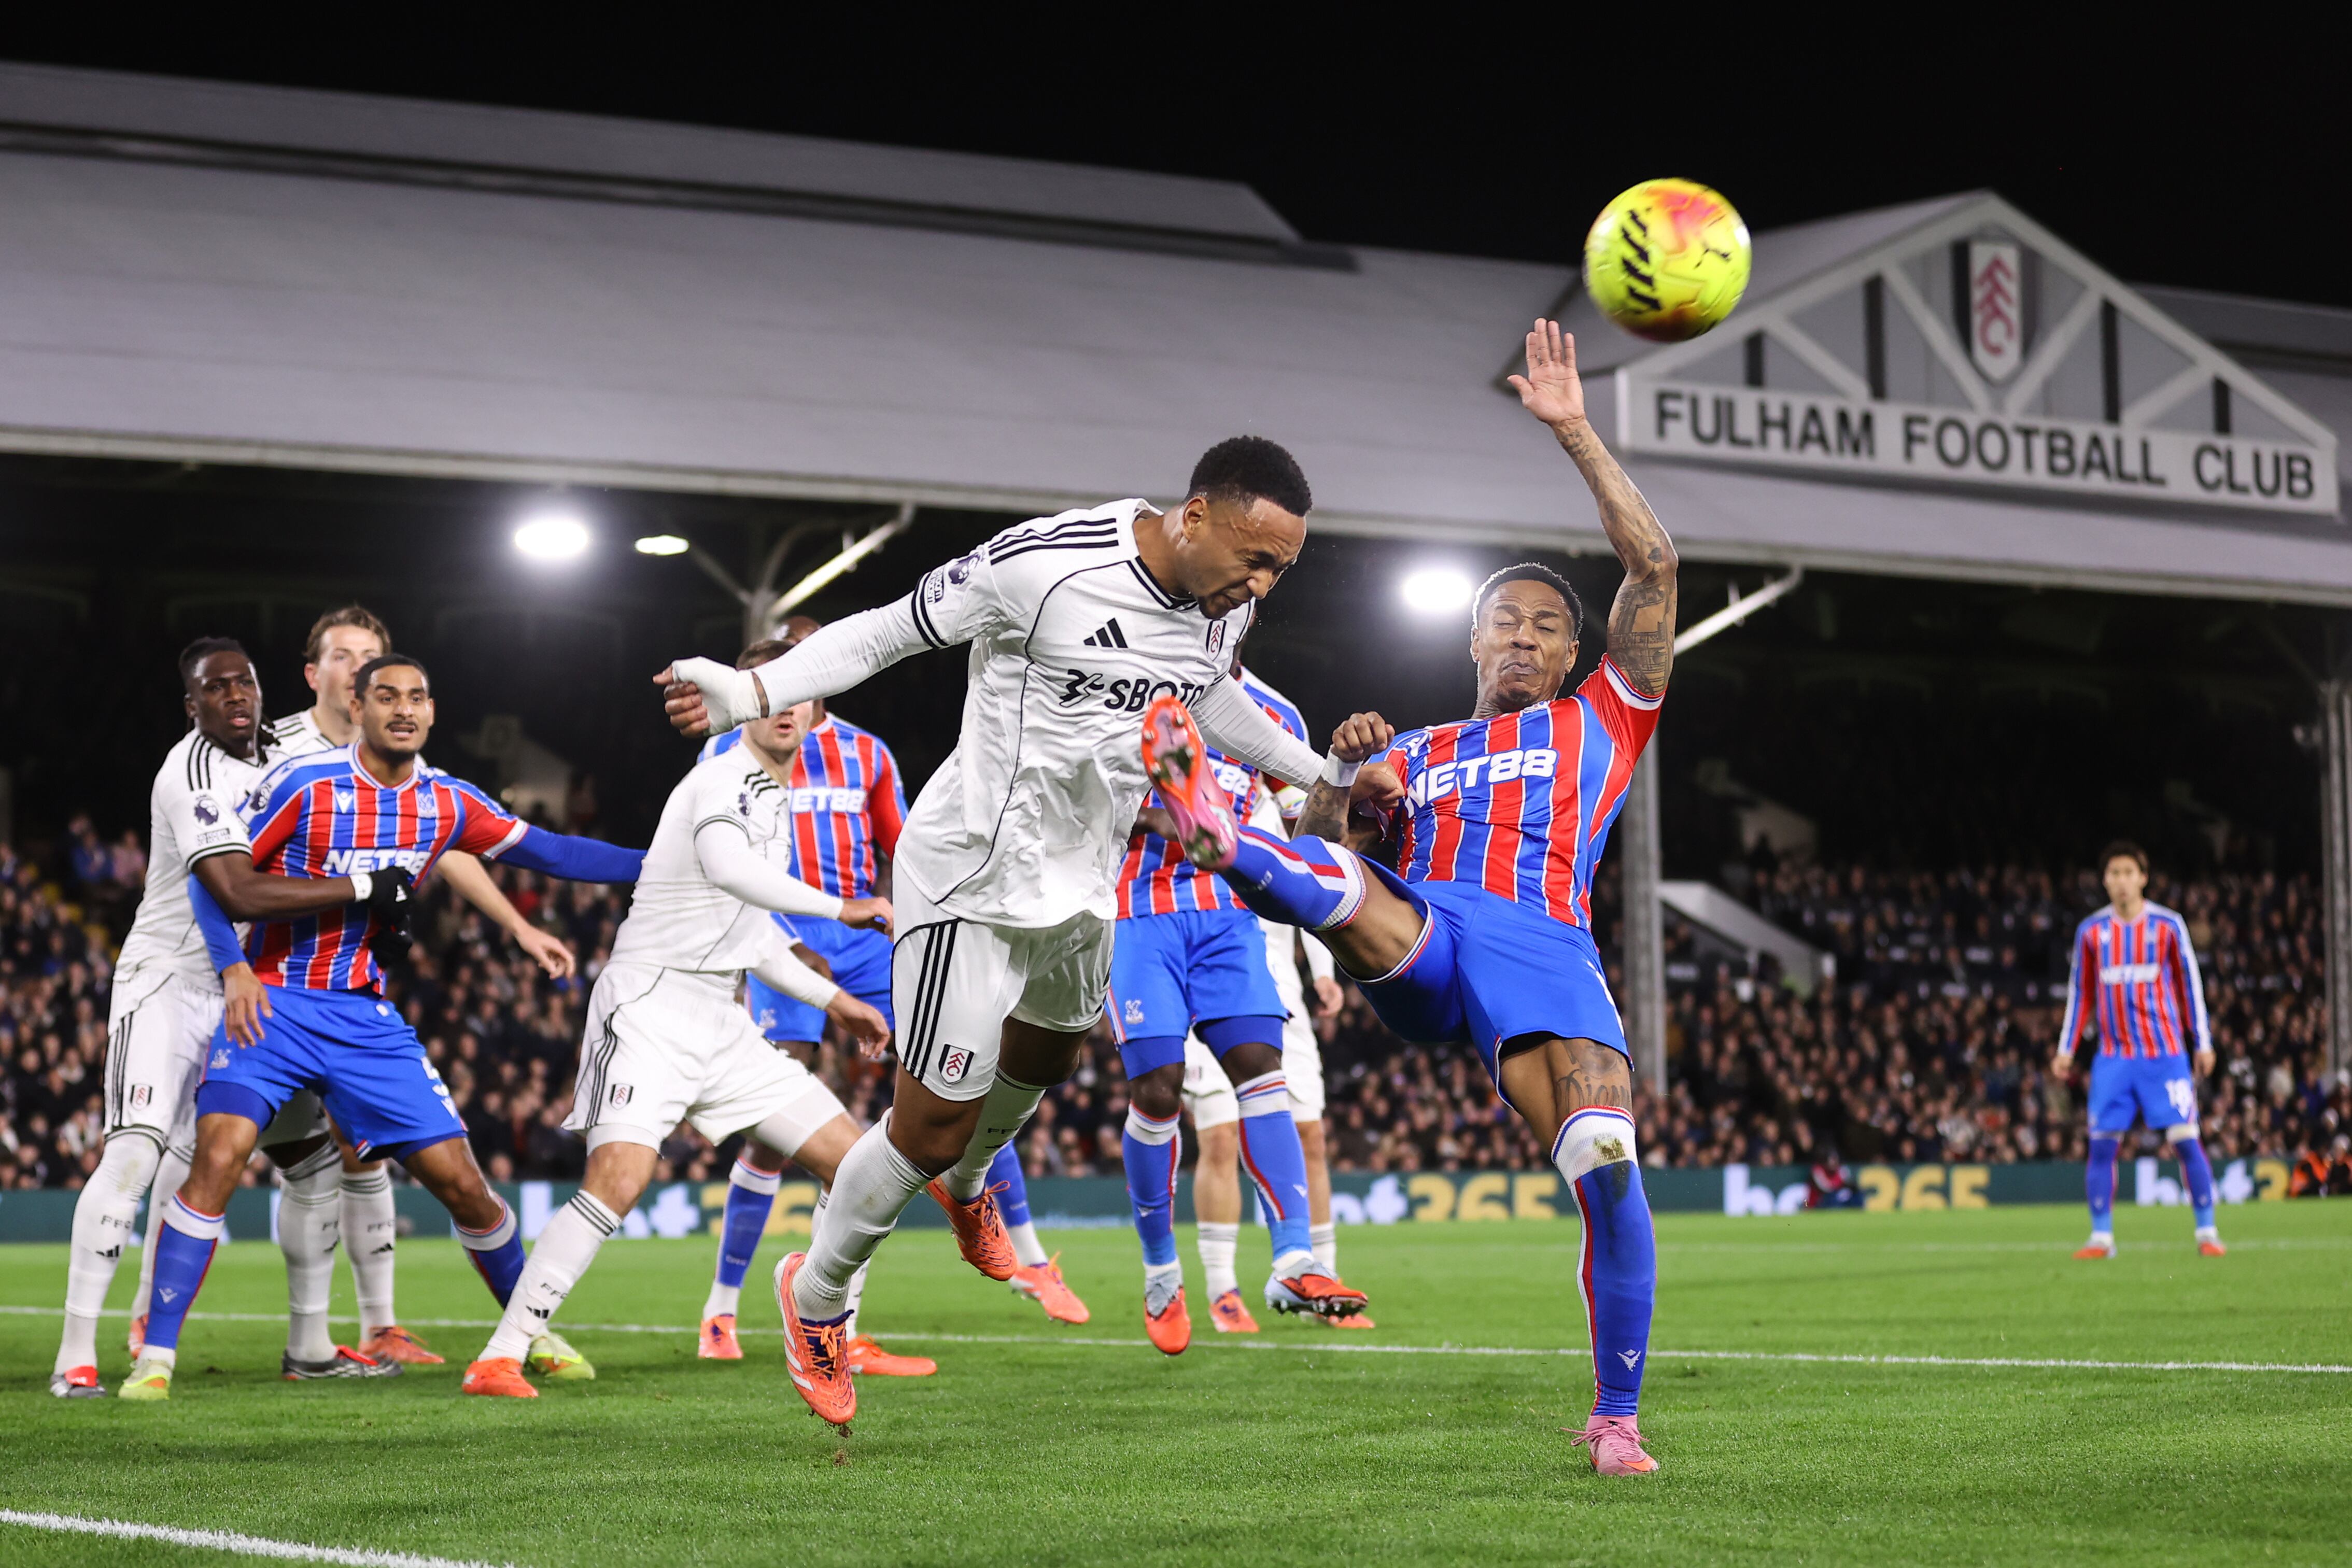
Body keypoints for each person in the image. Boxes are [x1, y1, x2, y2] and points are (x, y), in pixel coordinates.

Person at [657, 436, 1342, 1429]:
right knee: (929, 1120)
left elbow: (1214, 697)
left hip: (1083, 887)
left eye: (1281, 568)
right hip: (969, 880)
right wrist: (753, 690)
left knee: (1049, 1060)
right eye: (1254, 556)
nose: (1262, 585)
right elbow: (885, 633)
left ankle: (973, 1184)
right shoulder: (1045, 566)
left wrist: (1318, 774)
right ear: (1194, 515)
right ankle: (814, 1302)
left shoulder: (1211, 614)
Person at [1168, 320, 1679, 1476]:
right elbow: (1322, 856)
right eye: (1504, 621)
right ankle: (1213, 829)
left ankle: (1615, 1418)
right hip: (1426, 931)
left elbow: (1654, 571)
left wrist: (1576, 432)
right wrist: (1344, 782)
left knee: (1603, 1159)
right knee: (1341, 881)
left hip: (1544, 950)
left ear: (1572, 656)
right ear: (1472, 641)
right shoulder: (1416, 744)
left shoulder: (1605, 716)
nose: (1524, 635)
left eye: (1548, 626)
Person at [118, 654, 644, 1401]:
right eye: (386, 697)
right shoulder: (304, 784)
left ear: (432, 714)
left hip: (364, 1018)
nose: (404, 709)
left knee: (461, 1183)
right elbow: (219, 880)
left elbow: (552, 851)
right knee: (220, 1155)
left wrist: (663, 863)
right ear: (357, 709)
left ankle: (530, 1330)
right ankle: (157, 1359)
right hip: (272, 1003)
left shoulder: (449, 801)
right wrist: (233, 968)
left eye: (417, 698)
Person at [461, 647, 925, 1396]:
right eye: (766, 693)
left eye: (798, 692)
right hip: (650, 1007)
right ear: (740, 705)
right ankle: (501, 1355)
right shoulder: (720, 778)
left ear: (814, 708)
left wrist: (836, 1003)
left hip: (721, 1017)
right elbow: (728, 870)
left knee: (858, 1165)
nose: (784, 705)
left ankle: (835, 1334)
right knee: (619, 1179)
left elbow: (750, 930)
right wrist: (844, 906)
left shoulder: (773, 799)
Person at [696, 624, 1088, 1346]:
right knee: (782, 1121)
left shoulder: (866, 753)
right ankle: (722, 1309)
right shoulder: (730, 747)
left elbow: (903, 846)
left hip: (868, 939)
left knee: (956, 1077)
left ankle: (1023, 1261)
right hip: (781, 935)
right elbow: (718, 858)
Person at [51, 641, 352, 1396]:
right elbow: (234, 891)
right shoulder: (190, 773)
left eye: (242, 680)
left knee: (314, 1161)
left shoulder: (288, 747)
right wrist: (362, 887)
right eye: (213, 688)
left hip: (255, 990)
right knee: (136, 1155)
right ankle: (74, 1353)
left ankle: (310, 1345)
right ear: (192, 706)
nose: (233, 694)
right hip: (172, 982)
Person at [1111, 656, 1364, 1352]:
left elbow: (1306, 827)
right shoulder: (1129, 685)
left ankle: (1293, 1261)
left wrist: (1346, 790)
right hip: (1138, 913)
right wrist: (1168, 816)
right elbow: (1076, 792)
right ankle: (1163, 1271)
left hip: (1229, 915)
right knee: (1158, 1090)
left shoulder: (1273, 714)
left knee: (1263, 1071)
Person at [2053, 841, 2224, 1259]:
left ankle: (2207, 1232)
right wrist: (2066, 1049)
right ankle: (2101, 1238)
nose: (2121, 881)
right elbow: (2081, 994)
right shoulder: (2091, 932)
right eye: (2114, 873)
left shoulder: (2167, 925)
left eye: (2129, 872)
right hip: (2113, 1059)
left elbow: (2189, 986)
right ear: (2105, 880)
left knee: (2185, 1140)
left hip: (2164, 1056)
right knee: (2101, 1145)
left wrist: (2201, 1040)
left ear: (2143, 877)